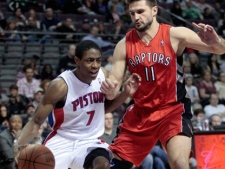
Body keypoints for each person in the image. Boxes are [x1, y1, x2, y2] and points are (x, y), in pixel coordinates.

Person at [100, 0, 225, 169]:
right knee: (112, 165)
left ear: (154, 10)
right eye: (132, 13)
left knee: (179, 163)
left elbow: (219, 49)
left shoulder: (175, 34)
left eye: (140, 11)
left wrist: (216, 42)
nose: (136, 17)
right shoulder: (124, 45)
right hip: (141, 112)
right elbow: (114, 86)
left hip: (172, 109)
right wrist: (109, 89)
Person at [14, 40, 140, 169]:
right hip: (62, 140)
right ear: (77, 61)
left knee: (102, 164)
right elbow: (36, 121)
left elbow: (104, 109)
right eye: (90, 60)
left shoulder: (102, 75)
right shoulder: (60, 85)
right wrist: (18, 146)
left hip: (89, 142)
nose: (95, 65)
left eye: (98, 60)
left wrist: (125, 93)